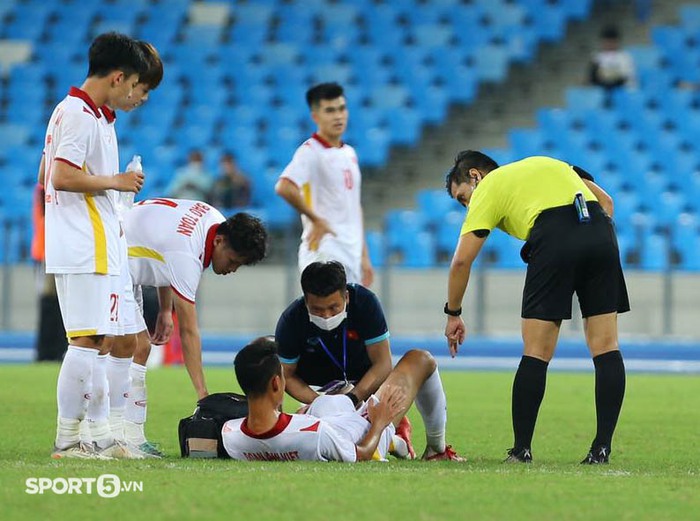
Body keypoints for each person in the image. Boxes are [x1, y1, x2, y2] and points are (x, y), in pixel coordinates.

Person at [443, 151, 628, 465]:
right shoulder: (551, 163)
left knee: (536, 352)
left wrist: (453, 313)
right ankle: (601, 449)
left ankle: (521, 449)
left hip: (553, 235)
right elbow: (607, 204)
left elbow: (461, 261)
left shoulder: (490, 185)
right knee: (606, 346)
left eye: (463, 197)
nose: (468, 206)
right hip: (599, 231)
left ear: (475, 175)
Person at [43, 32, 148, 459]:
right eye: (131, 84)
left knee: (91, 339)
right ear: (118, 76)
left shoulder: (76, 112)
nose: (131, 93)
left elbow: (43, 174)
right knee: (86, 341)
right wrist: (115, 183)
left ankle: (90, 434)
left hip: (81, 239)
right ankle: (70, 439)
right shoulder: (80, 116)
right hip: (87, 243)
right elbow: (61, 176)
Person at [112, 203, 267, 455]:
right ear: (219, 241)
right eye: (233, 261)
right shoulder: (188, 254)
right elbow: (188, 330)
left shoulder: (213, 218)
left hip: (128, 257)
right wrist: (203, 394)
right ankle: (119, 436)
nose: (232, 270)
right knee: (137, 347)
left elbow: (162, 245)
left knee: (136, 348)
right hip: (116, 261)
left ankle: (129, 437)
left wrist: (164, 309)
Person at [222, 337, 464, 462]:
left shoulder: (230, 435)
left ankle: (340, 399)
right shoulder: (314, 435)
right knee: (420, 359)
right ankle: (419, 444)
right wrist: (379, 424)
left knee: (326, 403)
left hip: (324, 414)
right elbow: (361, 454)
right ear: (277, 383)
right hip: (363, 424)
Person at [275, 82, 374, 287]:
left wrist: (364, 256)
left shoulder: (349, 153)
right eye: (330, 110)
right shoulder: (310, 152)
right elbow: (284, 186)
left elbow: (355, 206)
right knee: (324, 317)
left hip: (351, 251)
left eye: (341, 108)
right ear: (315, 117)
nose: (338, 116)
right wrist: (316, 219)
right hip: (324, 250)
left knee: (351, 318)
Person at [588, 25, 637, 92]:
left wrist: (607, 77)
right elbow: (593, 79)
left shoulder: (625, 57)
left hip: (623, 93)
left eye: (611, 42)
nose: (609, 45)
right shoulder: (597, 58)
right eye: (606, 42)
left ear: (617, 42)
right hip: (603, 93)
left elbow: (624, 79)